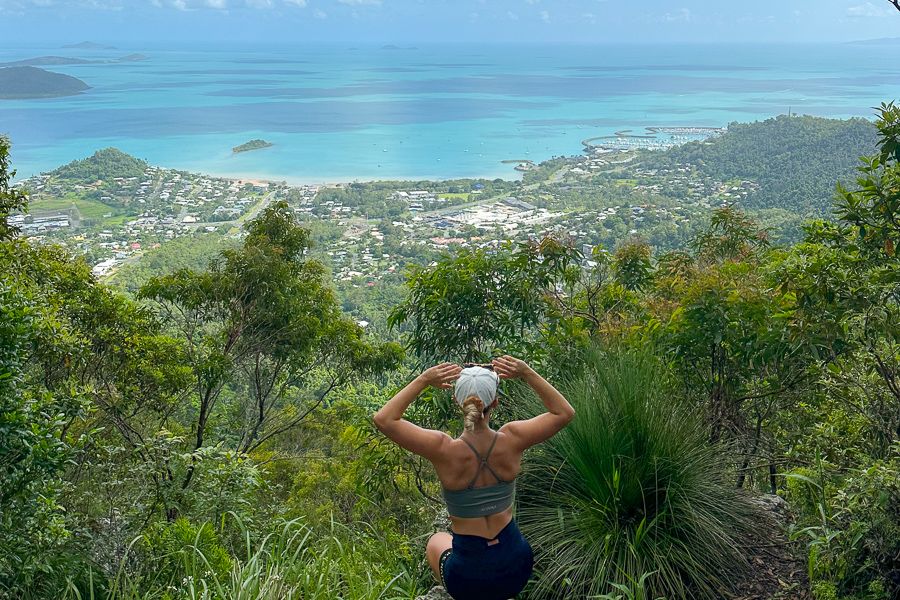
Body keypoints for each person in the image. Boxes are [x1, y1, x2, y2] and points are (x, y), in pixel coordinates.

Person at [373, 355, 575, 600]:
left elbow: (384, 419)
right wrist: (526, 371)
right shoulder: (513, 439)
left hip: (468, 580)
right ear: (496, 402)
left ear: (458, 402)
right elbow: (564, 412)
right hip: (517, 568)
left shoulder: (443, 449)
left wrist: (425, 379)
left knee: (437, 540)